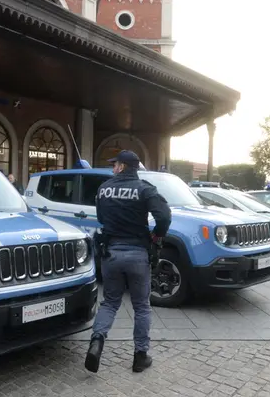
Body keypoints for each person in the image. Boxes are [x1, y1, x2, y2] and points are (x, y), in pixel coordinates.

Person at [85, 150, 171, 374]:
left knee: (110, 302)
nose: (113, 168)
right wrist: (157, 236)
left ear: (123, 166)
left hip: (111, 253)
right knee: (142, 306)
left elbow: (102, 218)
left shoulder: (104, 188)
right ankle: (140, 357)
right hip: (137, 254)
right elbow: (164, 216)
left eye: (115, 165)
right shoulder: (145, 189)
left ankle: (96, 343)